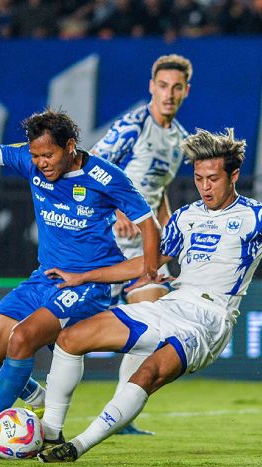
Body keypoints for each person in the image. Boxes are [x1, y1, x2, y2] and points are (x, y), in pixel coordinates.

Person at [36, 128, 262, 462]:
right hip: (170, 305)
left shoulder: (260, 217)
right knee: (70, 338)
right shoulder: (185, 217)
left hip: (209, 321)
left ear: (234, 174)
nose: (206, 187)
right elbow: (148, 264)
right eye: (199, 179)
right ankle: (52, 432)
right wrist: (82, 276)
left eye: (213, 178)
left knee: (147, 374)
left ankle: (78, 446)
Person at [0, 109, 160, 455]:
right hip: (44, 278)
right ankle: (36, 396)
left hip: (87, 286)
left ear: (70, 146)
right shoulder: (31, 160)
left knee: (22, 338)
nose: (41, 163)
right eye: (35, 155)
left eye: (48, 155)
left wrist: (149, 267)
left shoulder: (106, 177)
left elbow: (148, 223)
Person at [84, 53, 191, 435]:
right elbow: (89, 167)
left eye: (177, 87)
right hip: (104, 240)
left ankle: (121, 413)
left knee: (155, 322)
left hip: (141, 247)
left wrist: (167, 233)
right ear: (152, 87)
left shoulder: (179, 140)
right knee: (63, 323)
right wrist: (118, 210)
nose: (169, 94)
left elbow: (159, 192)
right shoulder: (132, 126)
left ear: (185, 91)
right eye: (163, 86)